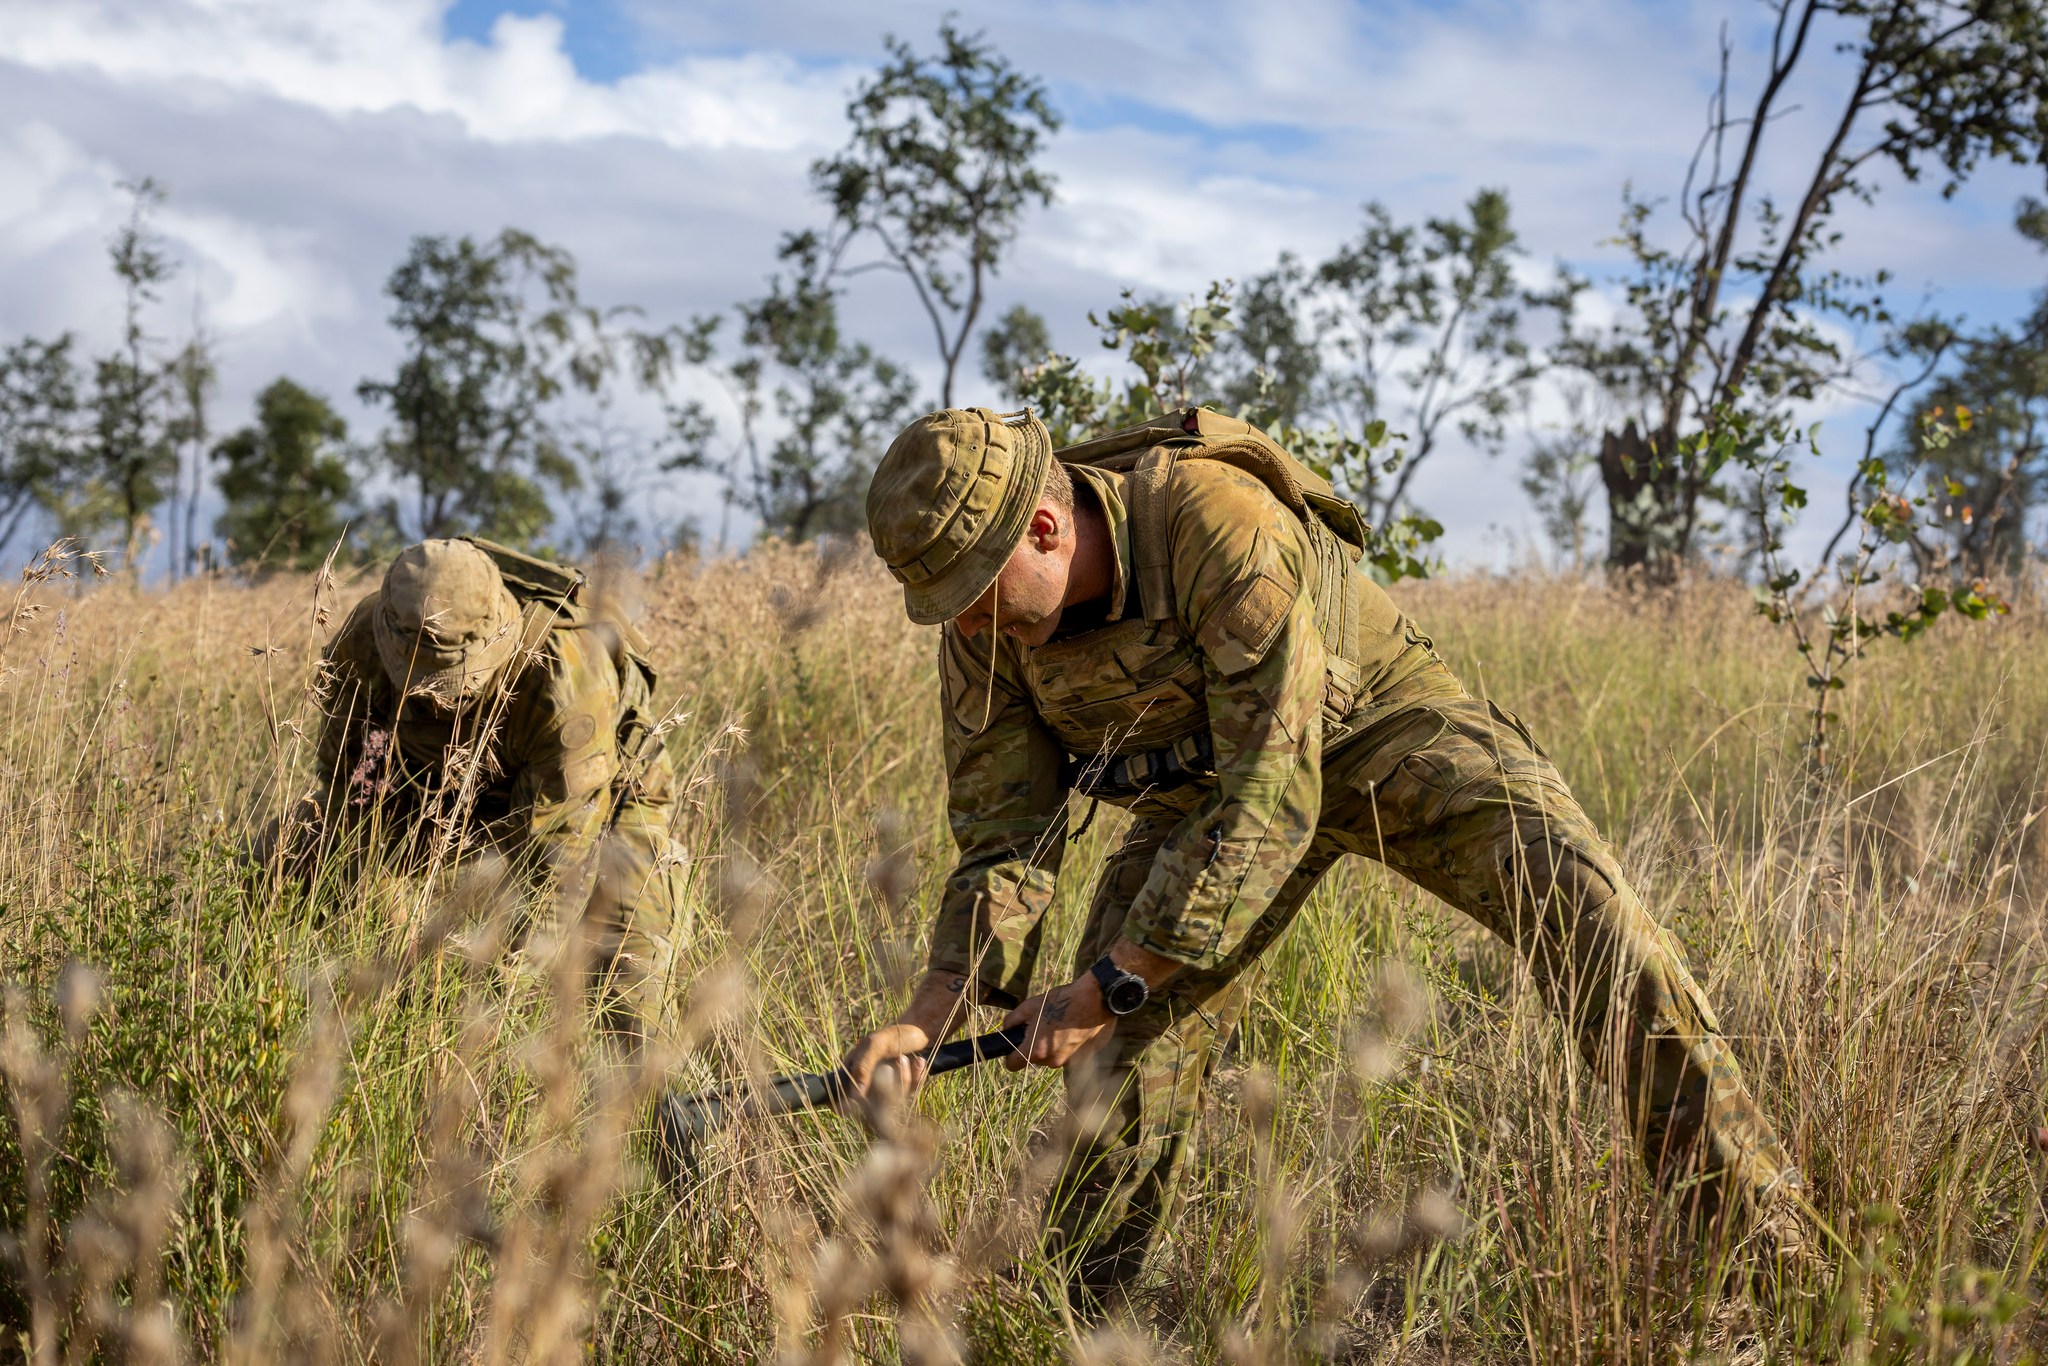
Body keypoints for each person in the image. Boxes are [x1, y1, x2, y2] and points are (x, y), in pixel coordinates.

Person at [840, 405, 1811, 1307]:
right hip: (1208, 791)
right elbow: (1005, 832)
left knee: (1591, 920)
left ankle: (1771, 1269)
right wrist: (932, 1012)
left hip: (1378, 733)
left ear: (1045, 528)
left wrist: (1110, 980)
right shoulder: (983, 631)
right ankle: (1085, 1319)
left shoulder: (1211, 520)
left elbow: (1275, 788)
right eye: (942, 604)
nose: (965, 622)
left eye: (973, 591)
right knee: (1121, 1058)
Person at [262, 537, 684, 1044]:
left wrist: (486, 1006)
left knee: (626, 975)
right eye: (416, 678)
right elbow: (350, 797)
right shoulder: (365, 643)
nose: (434, 699)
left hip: (602, 802)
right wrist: (393, 931)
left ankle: (656, 1111)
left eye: (449, 681)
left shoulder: (563, 676)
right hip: (435, 788)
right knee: (279, 858)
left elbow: (554, 875)